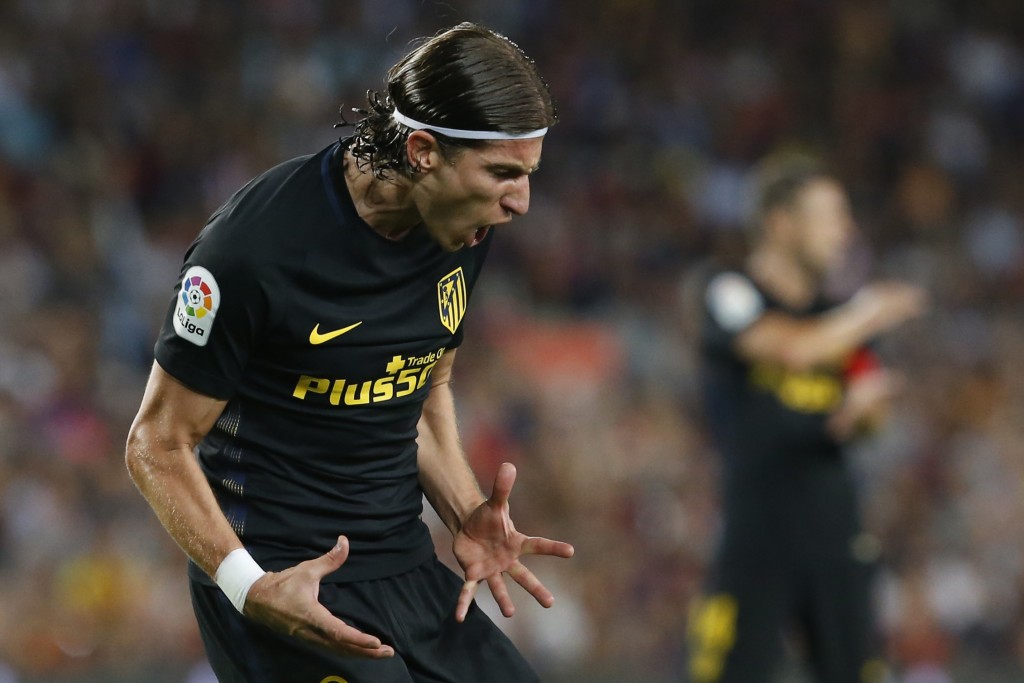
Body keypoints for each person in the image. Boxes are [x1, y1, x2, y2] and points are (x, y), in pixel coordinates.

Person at [125, 22, 574, 683]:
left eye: (528, 174)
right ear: (422, 149)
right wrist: (249, 586)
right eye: (504, 172)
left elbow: (421, 393)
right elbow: (156, 442)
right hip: (287, 578)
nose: (522, 201)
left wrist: (463, 508)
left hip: (406, 569)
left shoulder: (462, 230)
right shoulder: (254, 248)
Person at [685, 156, 927, 683]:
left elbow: (870, 416)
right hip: (756, 538)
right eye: (831, 215)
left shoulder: (838, 320)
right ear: (780, 222)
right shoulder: (730, 291)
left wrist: (863, 414)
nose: (847, 231)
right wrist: (869, 311)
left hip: (837, 536)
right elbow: (789, 350)